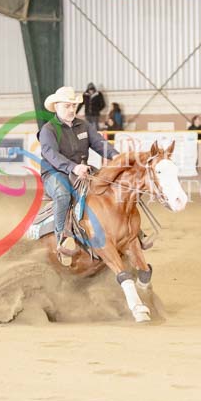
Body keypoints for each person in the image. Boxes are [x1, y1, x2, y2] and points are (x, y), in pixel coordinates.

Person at [39, 86, 119, 266]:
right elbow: (51, 154)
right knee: (62, 194)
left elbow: (99, 143)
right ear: (56, 106)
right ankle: (62, 239)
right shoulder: (48, 129)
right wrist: (73, 167)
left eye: (73, 106)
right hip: (55, 172)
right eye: (67, 106)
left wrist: (115, 156)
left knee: (108, 186)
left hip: (81, 169)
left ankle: (125, 232)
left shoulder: (84, 125)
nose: (71, 109)